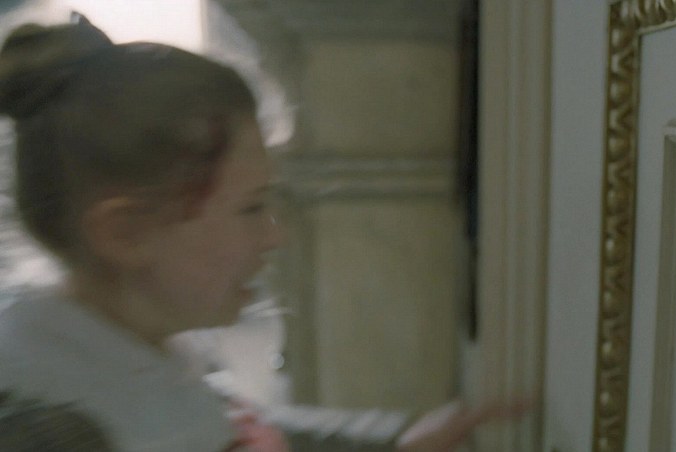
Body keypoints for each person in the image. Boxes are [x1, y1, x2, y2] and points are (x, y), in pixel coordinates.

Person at [0, 15, 525, 452]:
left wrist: (397, 440)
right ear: (126, 233)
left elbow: (244, 425)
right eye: (250, 208)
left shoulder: (135, 348)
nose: (275, 237)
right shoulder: (48, 424)